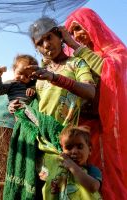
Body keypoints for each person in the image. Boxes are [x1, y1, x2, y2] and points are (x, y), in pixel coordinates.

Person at [3, 16, 96, 200]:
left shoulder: (76, 64)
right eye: (40, 42)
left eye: (49, 37)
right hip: (39, 145)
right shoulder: (37, 74)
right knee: (42, 191)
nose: (46, 45)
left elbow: (90, 91)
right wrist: (15, 106)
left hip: (64, 144)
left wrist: (55, 78)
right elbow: (35, 106)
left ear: (59, 36)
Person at [63, 7, 127, 199]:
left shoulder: (116, 52)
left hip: (106, 130)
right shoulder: (71, 61)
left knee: (107, 176)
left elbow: (109, 72)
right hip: (79, 129)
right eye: (72, 31)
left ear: (93, 27)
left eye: (80, 28)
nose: (76, 35)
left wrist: (76, 47)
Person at [39, 126, 102, 199]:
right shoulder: (58, 167)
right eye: (69, 147)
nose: (74, 151)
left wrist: (72, 166)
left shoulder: (92, 170)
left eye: (80, 146)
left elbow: (93, 186)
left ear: (90, 150)